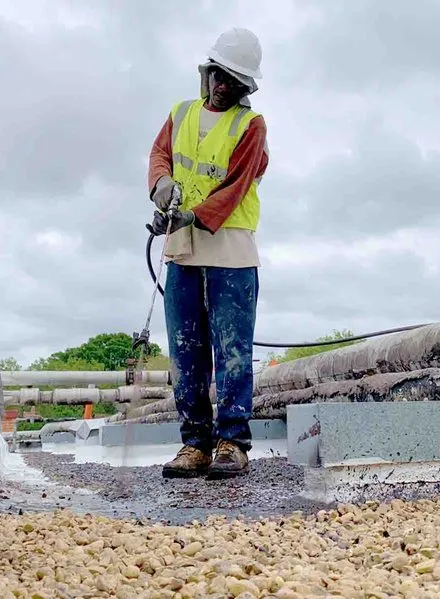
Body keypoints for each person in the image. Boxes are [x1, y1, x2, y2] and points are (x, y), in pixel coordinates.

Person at [145, 27, 269, 480]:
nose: (224, 87)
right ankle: (193, 443)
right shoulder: (180, 114)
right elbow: (160, 155)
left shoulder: (250, 126)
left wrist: (194, 215)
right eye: (220, 76)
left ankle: (232, 441)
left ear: (244, 87)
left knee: (232, 349)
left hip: (230, 249)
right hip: (182, 249)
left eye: (234, 82)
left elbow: (237, 185)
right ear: (207, 72)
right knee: (186, 349)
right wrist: (161, 185)